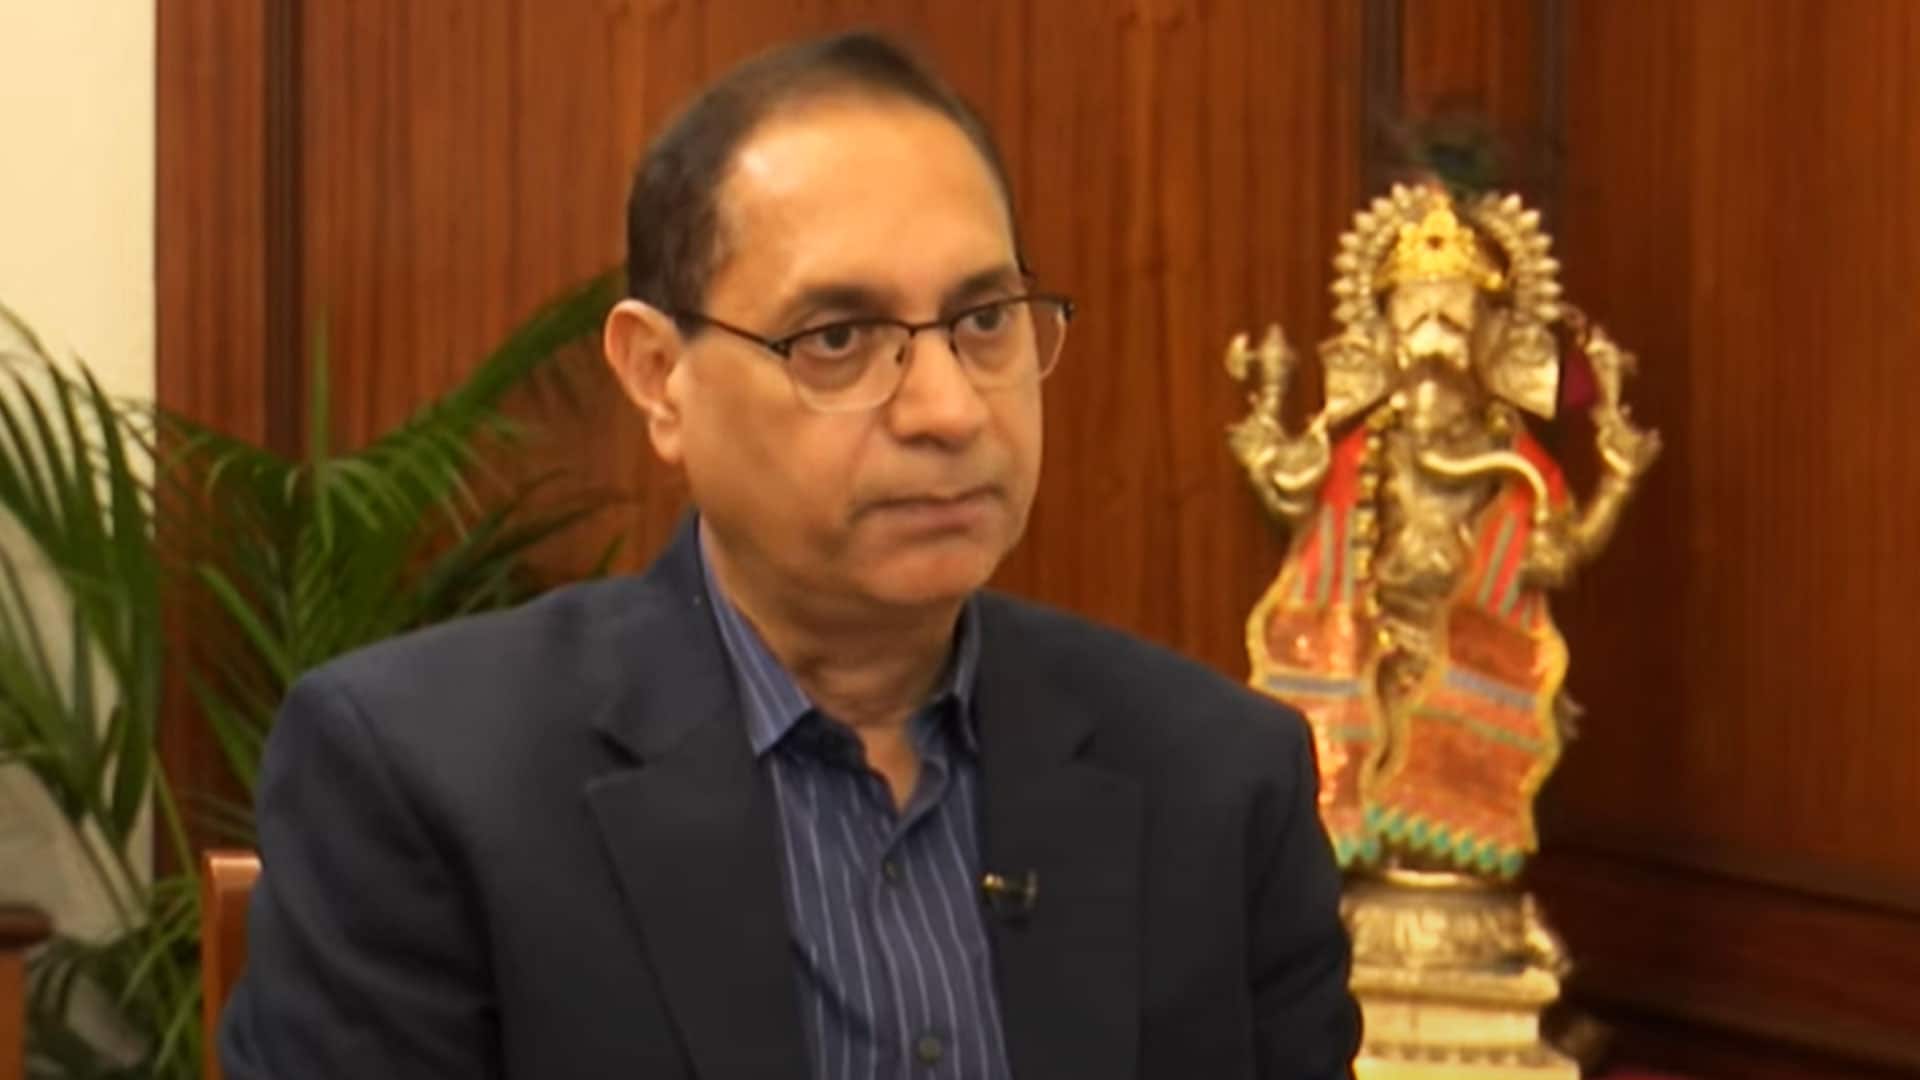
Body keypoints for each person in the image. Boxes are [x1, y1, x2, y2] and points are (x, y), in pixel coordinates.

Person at [219, 30, 1358, 1080]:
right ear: (659, 378)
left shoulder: (1222, 783)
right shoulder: (425, 783)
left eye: (984, 322)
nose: (950, 409)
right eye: (839, 339)